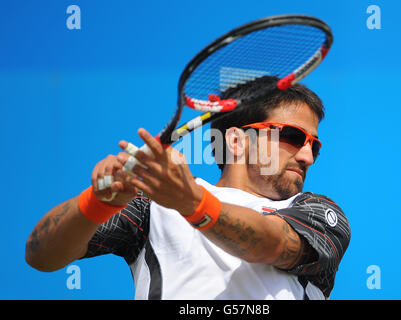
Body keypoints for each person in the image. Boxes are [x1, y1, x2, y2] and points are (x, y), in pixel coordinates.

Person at [25, 76, 350, 300]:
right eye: (293, 137)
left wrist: (191, 203)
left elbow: (272, 244)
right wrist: (98, 201)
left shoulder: (318, 212)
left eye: (314, 145)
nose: (307, 155)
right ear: (236, 141)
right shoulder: (153, 204)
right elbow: (41, 256)